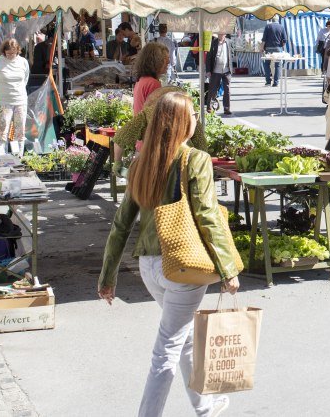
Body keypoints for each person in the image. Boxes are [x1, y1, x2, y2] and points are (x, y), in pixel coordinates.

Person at [98, 90, 241, 417]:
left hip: (149, 266)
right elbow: (207, 215)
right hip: (182, 266)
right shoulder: (195, 159)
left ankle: (205, 406)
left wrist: (108, 276)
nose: (196, 120)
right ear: (180, 122)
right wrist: (228, 268)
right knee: (166, 350)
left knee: (182, 337)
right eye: (192, 114)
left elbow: (121, 224)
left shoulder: (141, 162)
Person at [0, 38, 30, 155]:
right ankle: (2, 157)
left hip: (20, 100)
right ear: (4, 51)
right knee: (3, 131)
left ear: (17, 51)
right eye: (8, 53)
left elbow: (25, 79)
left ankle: (18, 156)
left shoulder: (23, 62)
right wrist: (2, 91)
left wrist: (17, 90)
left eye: (13, 53)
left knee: (20, 131)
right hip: (4, 101)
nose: (11, 55)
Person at [132, 42, 169, 116]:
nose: (168, 62)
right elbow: (155, 114)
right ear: (155, 61)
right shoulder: (153, 83)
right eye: (165, 59)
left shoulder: (142, 80)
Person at [205, 33, 232, 116]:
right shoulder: (213, 43)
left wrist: (231, 67)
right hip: (216, 70)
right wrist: (208, 70)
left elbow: (230, 54)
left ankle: (227, 108)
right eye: (219, 34)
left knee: (227, 90)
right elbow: (208, 57)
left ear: (225, 35)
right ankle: (209, 107)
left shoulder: (228, 42)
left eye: (222, 34)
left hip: (226, 70)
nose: (220, 36)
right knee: (213, 89)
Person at [260, 15, 288, 87]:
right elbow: (284, 40)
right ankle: (276, 82)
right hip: (278, 48)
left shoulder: (268, 26)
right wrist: (281, 47)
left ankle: (268, 82)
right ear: (278, 20)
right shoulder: (281, 27)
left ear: (271, 20)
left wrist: (262, 48)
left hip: (268, 49)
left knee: (266, 64)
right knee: (277, 65)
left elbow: (264, 39)